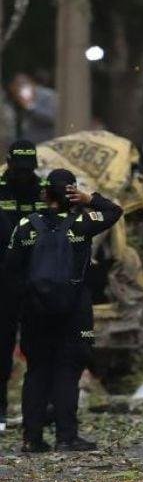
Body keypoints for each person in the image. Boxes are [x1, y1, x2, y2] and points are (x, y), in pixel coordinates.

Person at [5, 169, 122, 452]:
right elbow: (114, 210)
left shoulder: (25, 225)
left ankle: (32, 439)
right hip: (74, 308)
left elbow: (11, 268)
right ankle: (66, 437)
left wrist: (24, 303)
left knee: (37, 370)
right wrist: (88, 197)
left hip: (34, 310)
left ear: (45, 195)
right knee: (68, 370)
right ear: (71, 193)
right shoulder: (82, 222)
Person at [0, 140, 42, 433]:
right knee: (2, 345)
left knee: (39, 346)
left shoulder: (42, 189)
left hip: (36, 276)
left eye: (29, 171)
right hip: (4, 277)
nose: (24, 176)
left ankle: (38, 412)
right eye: (19, 170)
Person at [7, 73, 57, 144]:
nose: (18, 91)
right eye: (15, 89)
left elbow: (51, 118)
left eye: (23, 85)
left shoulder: (47, 96)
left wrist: (30, 106)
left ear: (32, 84)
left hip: (44, 142)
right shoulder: (14, 100)